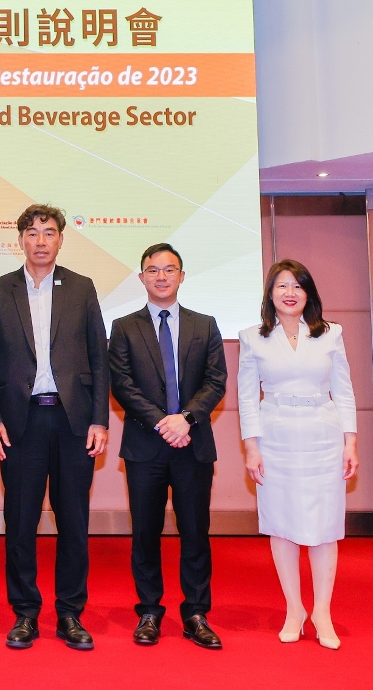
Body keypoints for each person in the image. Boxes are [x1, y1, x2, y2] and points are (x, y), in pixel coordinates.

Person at [0, 204, 110, 651]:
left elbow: (99, 358)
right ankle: (26, 613)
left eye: (48, 232)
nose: (40, 241)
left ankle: (70, 612)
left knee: (74, 521)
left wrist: (99, 419)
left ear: (60, 239)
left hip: (73, 422)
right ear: (20, 240)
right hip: (21, 422)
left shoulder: (82, 287)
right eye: (31, 233)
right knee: (20, 521)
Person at [108, 243, 228, 649]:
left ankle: (196, 613)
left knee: (195, 532)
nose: (161, 276)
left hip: (193, 445)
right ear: (142, 277)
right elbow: (122, 384)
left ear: (182, 275)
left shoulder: (205, 325)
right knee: (145, 532)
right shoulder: (124, 327)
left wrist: (186, 418)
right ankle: (149, 611)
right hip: (146, 445)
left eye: (169, 269)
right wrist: (164, 421)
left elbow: (215, 381)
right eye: (153, 270)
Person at [239, 259, 358, 650]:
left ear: (309, 293)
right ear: (270, 293)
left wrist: (350, 441)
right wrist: (252, 447)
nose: (289, 293)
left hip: (323, 434)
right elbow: (246, 398)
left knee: (325, 526)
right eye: (282, 286)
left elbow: (344, 390)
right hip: (274, 437)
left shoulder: (331, 333)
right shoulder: (252, 337)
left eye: (297, 286)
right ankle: (295, 609)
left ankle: (322, 611)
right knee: (281, 524)